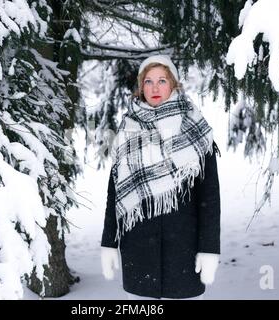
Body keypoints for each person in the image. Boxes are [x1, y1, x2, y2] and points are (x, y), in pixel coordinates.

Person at [100, 55, 221, 300]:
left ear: (174, 85)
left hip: (184, 250)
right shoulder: (127, 129)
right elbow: (116, 193)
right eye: (148, 82)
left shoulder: (195, 128)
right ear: (141, 87)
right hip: (138, 250)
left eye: (162, 80)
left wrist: (209, 250)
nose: (155, 88)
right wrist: (109, 243)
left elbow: (210, 197)